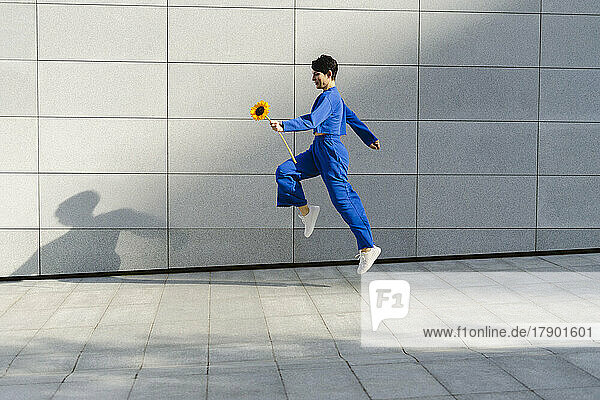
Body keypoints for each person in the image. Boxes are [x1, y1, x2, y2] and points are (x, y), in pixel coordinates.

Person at [270, 54, 381, 274]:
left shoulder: (330, 97)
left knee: (343, 199)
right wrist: (369, 138)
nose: (313, 78)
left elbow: (312, 120)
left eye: (316, 74)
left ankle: (368, 247)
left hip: (331, 151)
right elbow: (351, 117)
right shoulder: (333, 99)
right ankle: (306, 211)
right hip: (318, 148)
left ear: (328, 74)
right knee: (285, 172)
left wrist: (284, 125)